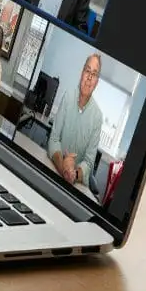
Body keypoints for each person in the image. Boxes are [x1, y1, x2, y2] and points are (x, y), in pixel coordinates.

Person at [47, 54, 106, 190]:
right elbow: (54, 139)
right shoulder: (68, 97)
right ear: (81, 73)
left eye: (94, 74)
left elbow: (89, 162)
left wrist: (74, 174)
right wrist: (64, 168)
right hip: (55, 171)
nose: (89, 78)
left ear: (97, 82)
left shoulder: (97, 117)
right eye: (87, 71)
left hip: (76, 187)